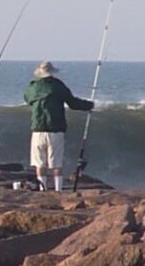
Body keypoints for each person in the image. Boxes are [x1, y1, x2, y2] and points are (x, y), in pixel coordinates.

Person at [23, 61, 94, 191]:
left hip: (38, 129)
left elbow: (27, 99)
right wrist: (89, 105)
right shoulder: (58, 86)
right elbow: (72, 103)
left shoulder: (32, 87)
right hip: (55, 129)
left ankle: (42, 190)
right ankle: (58, 190)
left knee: (40, 163)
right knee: (56, 164)